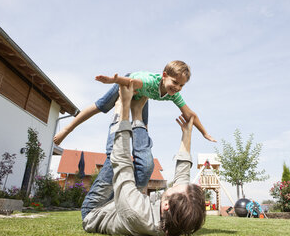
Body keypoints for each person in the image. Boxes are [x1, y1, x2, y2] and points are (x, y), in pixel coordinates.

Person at [82, 81, 206, 236]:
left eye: (174, 187)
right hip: (122, 203)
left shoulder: (135, 210)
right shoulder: (176, 217)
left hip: (96, 210)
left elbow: (122, 160)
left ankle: (130, 108)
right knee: (147, 166)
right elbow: (182, 176)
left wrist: (122, 109)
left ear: (166, 205)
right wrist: (187, 135)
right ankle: (138, 112)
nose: (176, 184)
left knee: (115, 157)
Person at [53, 60, 216, 145]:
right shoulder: (150, 81)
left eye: (182, 85)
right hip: (129, 82)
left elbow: (189, 114)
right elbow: (133, 82)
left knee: (143, 127)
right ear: (164, 75)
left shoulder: (173, 94)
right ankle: (67, 129)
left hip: (141, 95)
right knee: (101, 106)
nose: (178, 88)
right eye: (175, 82)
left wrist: (204, 133)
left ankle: (136, 156)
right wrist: (113, 80)